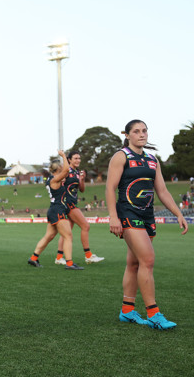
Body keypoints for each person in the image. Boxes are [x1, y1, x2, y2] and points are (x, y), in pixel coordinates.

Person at [106, 119, 188, 330]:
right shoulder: (121, 156)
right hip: (128, 214)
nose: (142, 134)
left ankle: (127, 310)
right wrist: (113, 217)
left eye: (144, 130)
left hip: (147, 217)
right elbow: (110, 188)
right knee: (148, 259)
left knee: (134, 264)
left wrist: (178, 213)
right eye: (136, 131)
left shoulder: (153, 160)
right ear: (127, 135)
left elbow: (162, 191)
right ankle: (154, 313)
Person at [27, 150, 83, 270]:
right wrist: (63, 156)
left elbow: (66, 173)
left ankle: (33, 258)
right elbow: (67, 170)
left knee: (49, 236)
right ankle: (69, 263)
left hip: (54, 209)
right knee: (68, 236)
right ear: (58, 169)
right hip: (58, 210)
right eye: (61, 167)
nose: (64, 168)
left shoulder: (52, 179)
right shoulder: (55, 180)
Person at [55, 151, 104, 265]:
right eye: (75, 158)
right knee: (85, 226)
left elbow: (81, 190)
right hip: (68, 204)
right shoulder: (66, 171)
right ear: (69, 160)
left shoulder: (77, 172)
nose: (78, 160)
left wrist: (82, 179)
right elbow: (57, 184)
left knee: (66, 232)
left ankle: (58, 257)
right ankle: (88, 255)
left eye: (79, 158)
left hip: (72, 203)